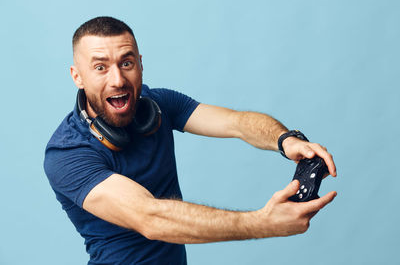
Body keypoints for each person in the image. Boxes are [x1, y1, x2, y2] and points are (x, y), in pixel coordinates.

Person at [44, 16, 337, 265]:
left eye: (127, 62)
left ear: (140, 65)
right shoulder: (67, 153)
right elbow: (151, 217)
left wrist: (285, 139)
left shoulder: (157, 105)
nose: (118, 79)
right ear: (77, 76)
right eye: (100, 67)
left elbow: (235, 122)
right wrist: (263, 223)